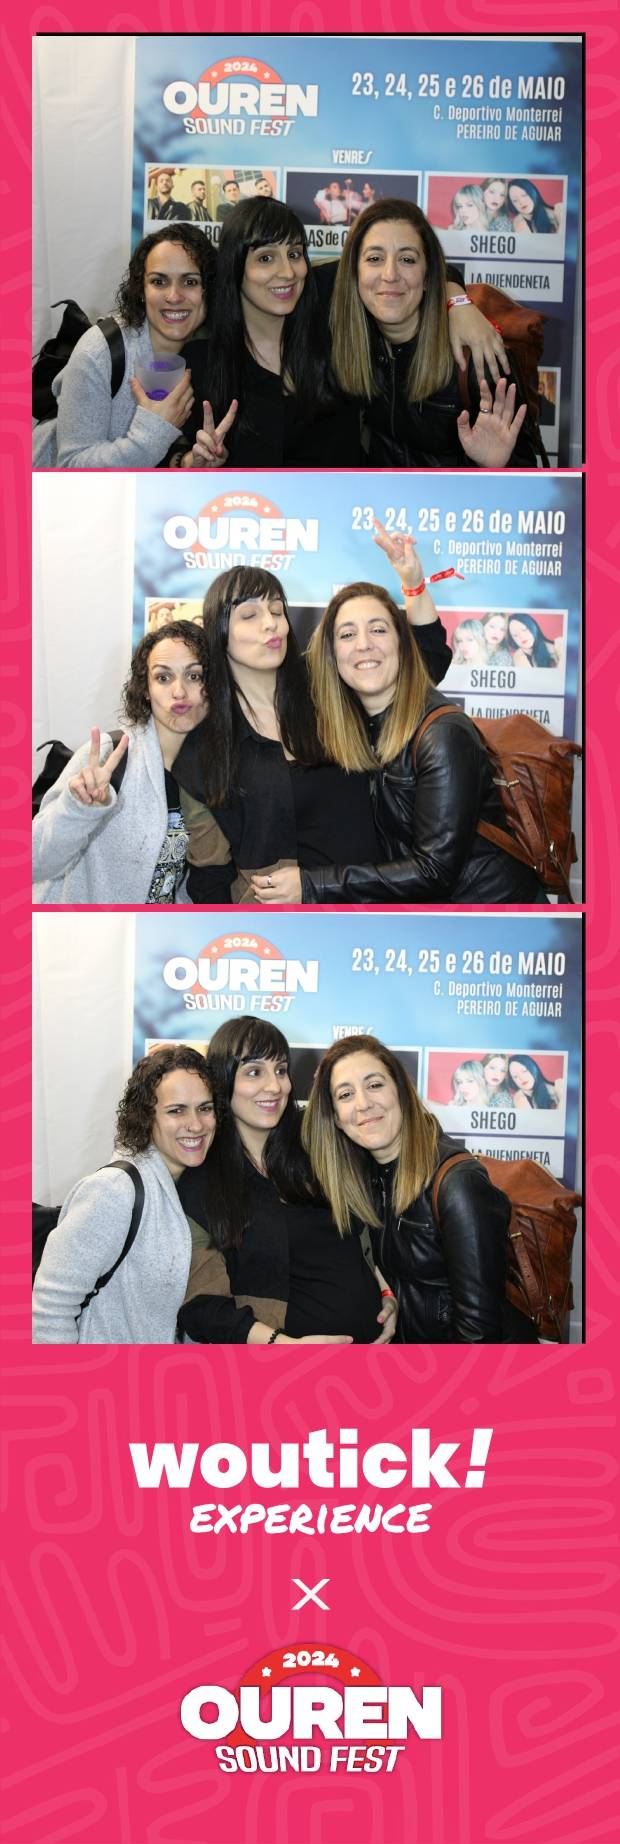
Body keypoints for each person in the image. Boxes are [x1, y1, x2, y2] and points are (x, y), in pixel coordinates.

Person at [252, 527, 547, 906]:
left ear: (402, 645)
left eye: (378, 630)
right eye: (347, 635)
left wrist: (312, 885)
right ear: (332, 656)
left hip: (494, 918)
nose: (363, 645)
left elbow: (434, 871)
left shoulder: (442, 735)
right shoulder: (359, 721)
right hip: (430, 919)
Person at [171, 556, 451, 905]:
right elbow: (210, 872)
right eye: (250, 615)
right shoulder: (204, 746)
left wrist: (413, 584)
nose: (271, 624)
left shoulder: (326, 689)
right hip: (276, 927)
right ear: (219, 631)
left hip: (371, 906)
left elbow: (425, 662)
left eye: (276, 610)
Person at [302, 1035, 538, 1342]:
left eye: (375, 1085)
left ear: (401, 1090)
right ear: (335, 1116)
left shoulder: (457, 1183)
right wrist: (386, 1295)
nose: (363, 1104)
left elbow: (479, 1334)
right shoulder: (363, 1179)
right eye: (345, 1094)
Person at [176, 1021, 397, 1345]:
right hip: (280, 1369)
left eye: (280, 1070)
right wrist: (284, 1346)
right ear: (223, 1079)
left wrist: (386, 1293)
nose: (275, 1086)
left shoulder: (317, 1148)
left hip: (376, 1355)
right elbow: (202, 1306)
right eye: (254, 1072)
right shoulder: (202, 1181)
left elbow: (357, 1242)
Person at [327, 198, 538, 468]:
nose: (390, 274)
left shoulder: (476, 358)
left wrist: (494, 466)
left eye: (407, 259)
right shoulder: (352, 337)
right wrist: (456, 297)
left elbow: (526, 477)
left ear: (428, 276)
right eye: (375, 258)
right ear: (354, 273)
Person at [32, 1047, 215, 1344]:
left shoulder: (182, 1186)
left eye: (205, 1108)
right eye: (176, 1110)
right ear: (146, 1116)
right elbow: (49, 1309)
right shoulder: (114, 1191)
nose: (196, 1124)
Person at [176, 196, 362, 469]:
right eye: (265, 258)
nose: (287, 272)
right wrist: (191, 463)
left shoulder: (337, 335)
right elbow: (170, 461)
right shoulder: (201, 364)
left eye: (295, 254)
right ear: (234, 266)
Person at [33, 622, 210, 904]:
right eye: (163, 678)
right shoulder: (110, 755)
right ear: (146, 689)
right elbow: (33, 862)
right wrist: (78, 810)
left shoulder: (214, 767)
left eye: (194, 676)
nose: (179, 691)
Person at [33, 227, 214, 469]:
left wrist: (186, 463)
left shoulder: (210, 352)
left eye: (190, 282)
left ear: (209, 290)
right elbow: (71, 467)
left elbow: (160, 459)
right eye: (159, 281)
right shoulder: (99, 352)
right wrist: (155, 430)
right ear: (141, 290)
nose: (173, 296)